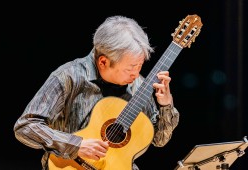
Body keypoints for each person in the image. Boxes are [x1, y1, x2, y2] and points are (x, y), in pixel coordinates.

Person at [13, 15, 179, 170]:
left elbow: (159, 140)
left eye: (140, 66)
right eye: (130, 69)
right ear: (103, 62)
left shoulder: (138, 86)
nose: (136, 75)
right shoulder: (69, 77)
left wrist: (166, 105)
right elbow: (25, 127)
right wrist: (75, 145)